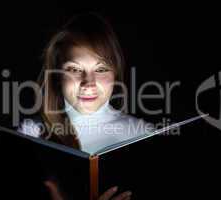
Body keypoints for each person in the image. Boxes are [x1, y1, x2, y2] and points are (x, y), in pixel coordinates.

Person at [18, 12, 154, 200]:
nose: (88, 83)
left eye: (100, 69)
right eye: (74, 69)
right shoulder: (31, 134)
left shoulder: (143, 134)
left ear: (115, 73)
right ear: (58, 75)